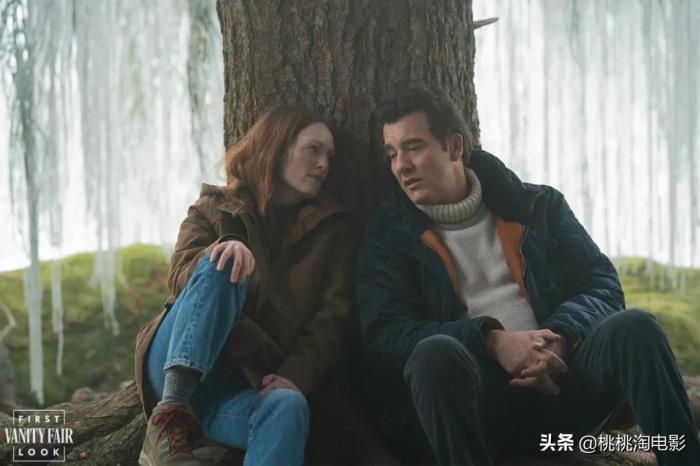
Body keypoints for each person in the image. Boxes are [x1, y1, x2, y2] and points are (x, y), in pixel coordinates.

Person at [356, 85, 700, 466]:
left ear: (454, 147)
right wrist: (491, 340)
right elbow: (387, 336)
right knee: (432, 356)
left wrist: (560, 338)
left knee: (636, 326)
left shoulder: (538, 206)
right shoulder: (387, 240)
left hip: (564, 383)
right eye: (392, 154)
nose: (400, 166)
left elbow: (601, 283)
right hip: (480, 410)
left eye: (413, 147)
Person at [134, 104, 357, 466]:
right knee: (224, 261)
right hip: (173, 359)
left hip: (239, 388)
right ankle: (168, 420)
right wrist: (222, 250)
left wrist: (296, 375)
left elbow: (332, 317)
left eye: (329, 156)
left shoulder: (334, 232)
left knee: (287, 405)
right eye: (313, 150)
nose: (323, 165)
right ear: (277, 147)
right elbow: (178, 279)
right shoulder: (213, 207)